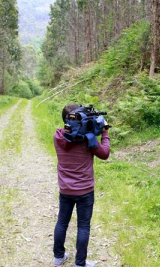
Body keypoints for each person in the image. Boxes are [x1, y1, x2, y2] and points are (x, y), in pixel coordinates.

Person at [53, 104, 110, 267]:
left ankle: (58, 257)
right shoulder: (88, 139)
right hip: (85, 191)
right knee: (83, 226)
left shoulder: (58, 136)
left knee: (62, 222)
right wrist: (105, 131)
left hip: (65, 189)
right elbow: (105, 153)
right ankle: (80, 263)